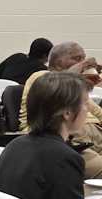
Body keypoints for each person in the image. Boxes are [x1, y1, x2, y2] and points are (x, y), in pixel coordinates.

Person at [19, 41, 102, 178]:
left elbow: (96, 111)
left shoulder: (75, 89)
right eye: (77, 58)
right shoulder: (42, 78)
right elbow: (60, 81)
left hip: (91, 138)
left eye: (83, 58)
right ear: (57, 62)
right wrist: (82, 67)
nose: (83, 63)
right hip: (69, 142)